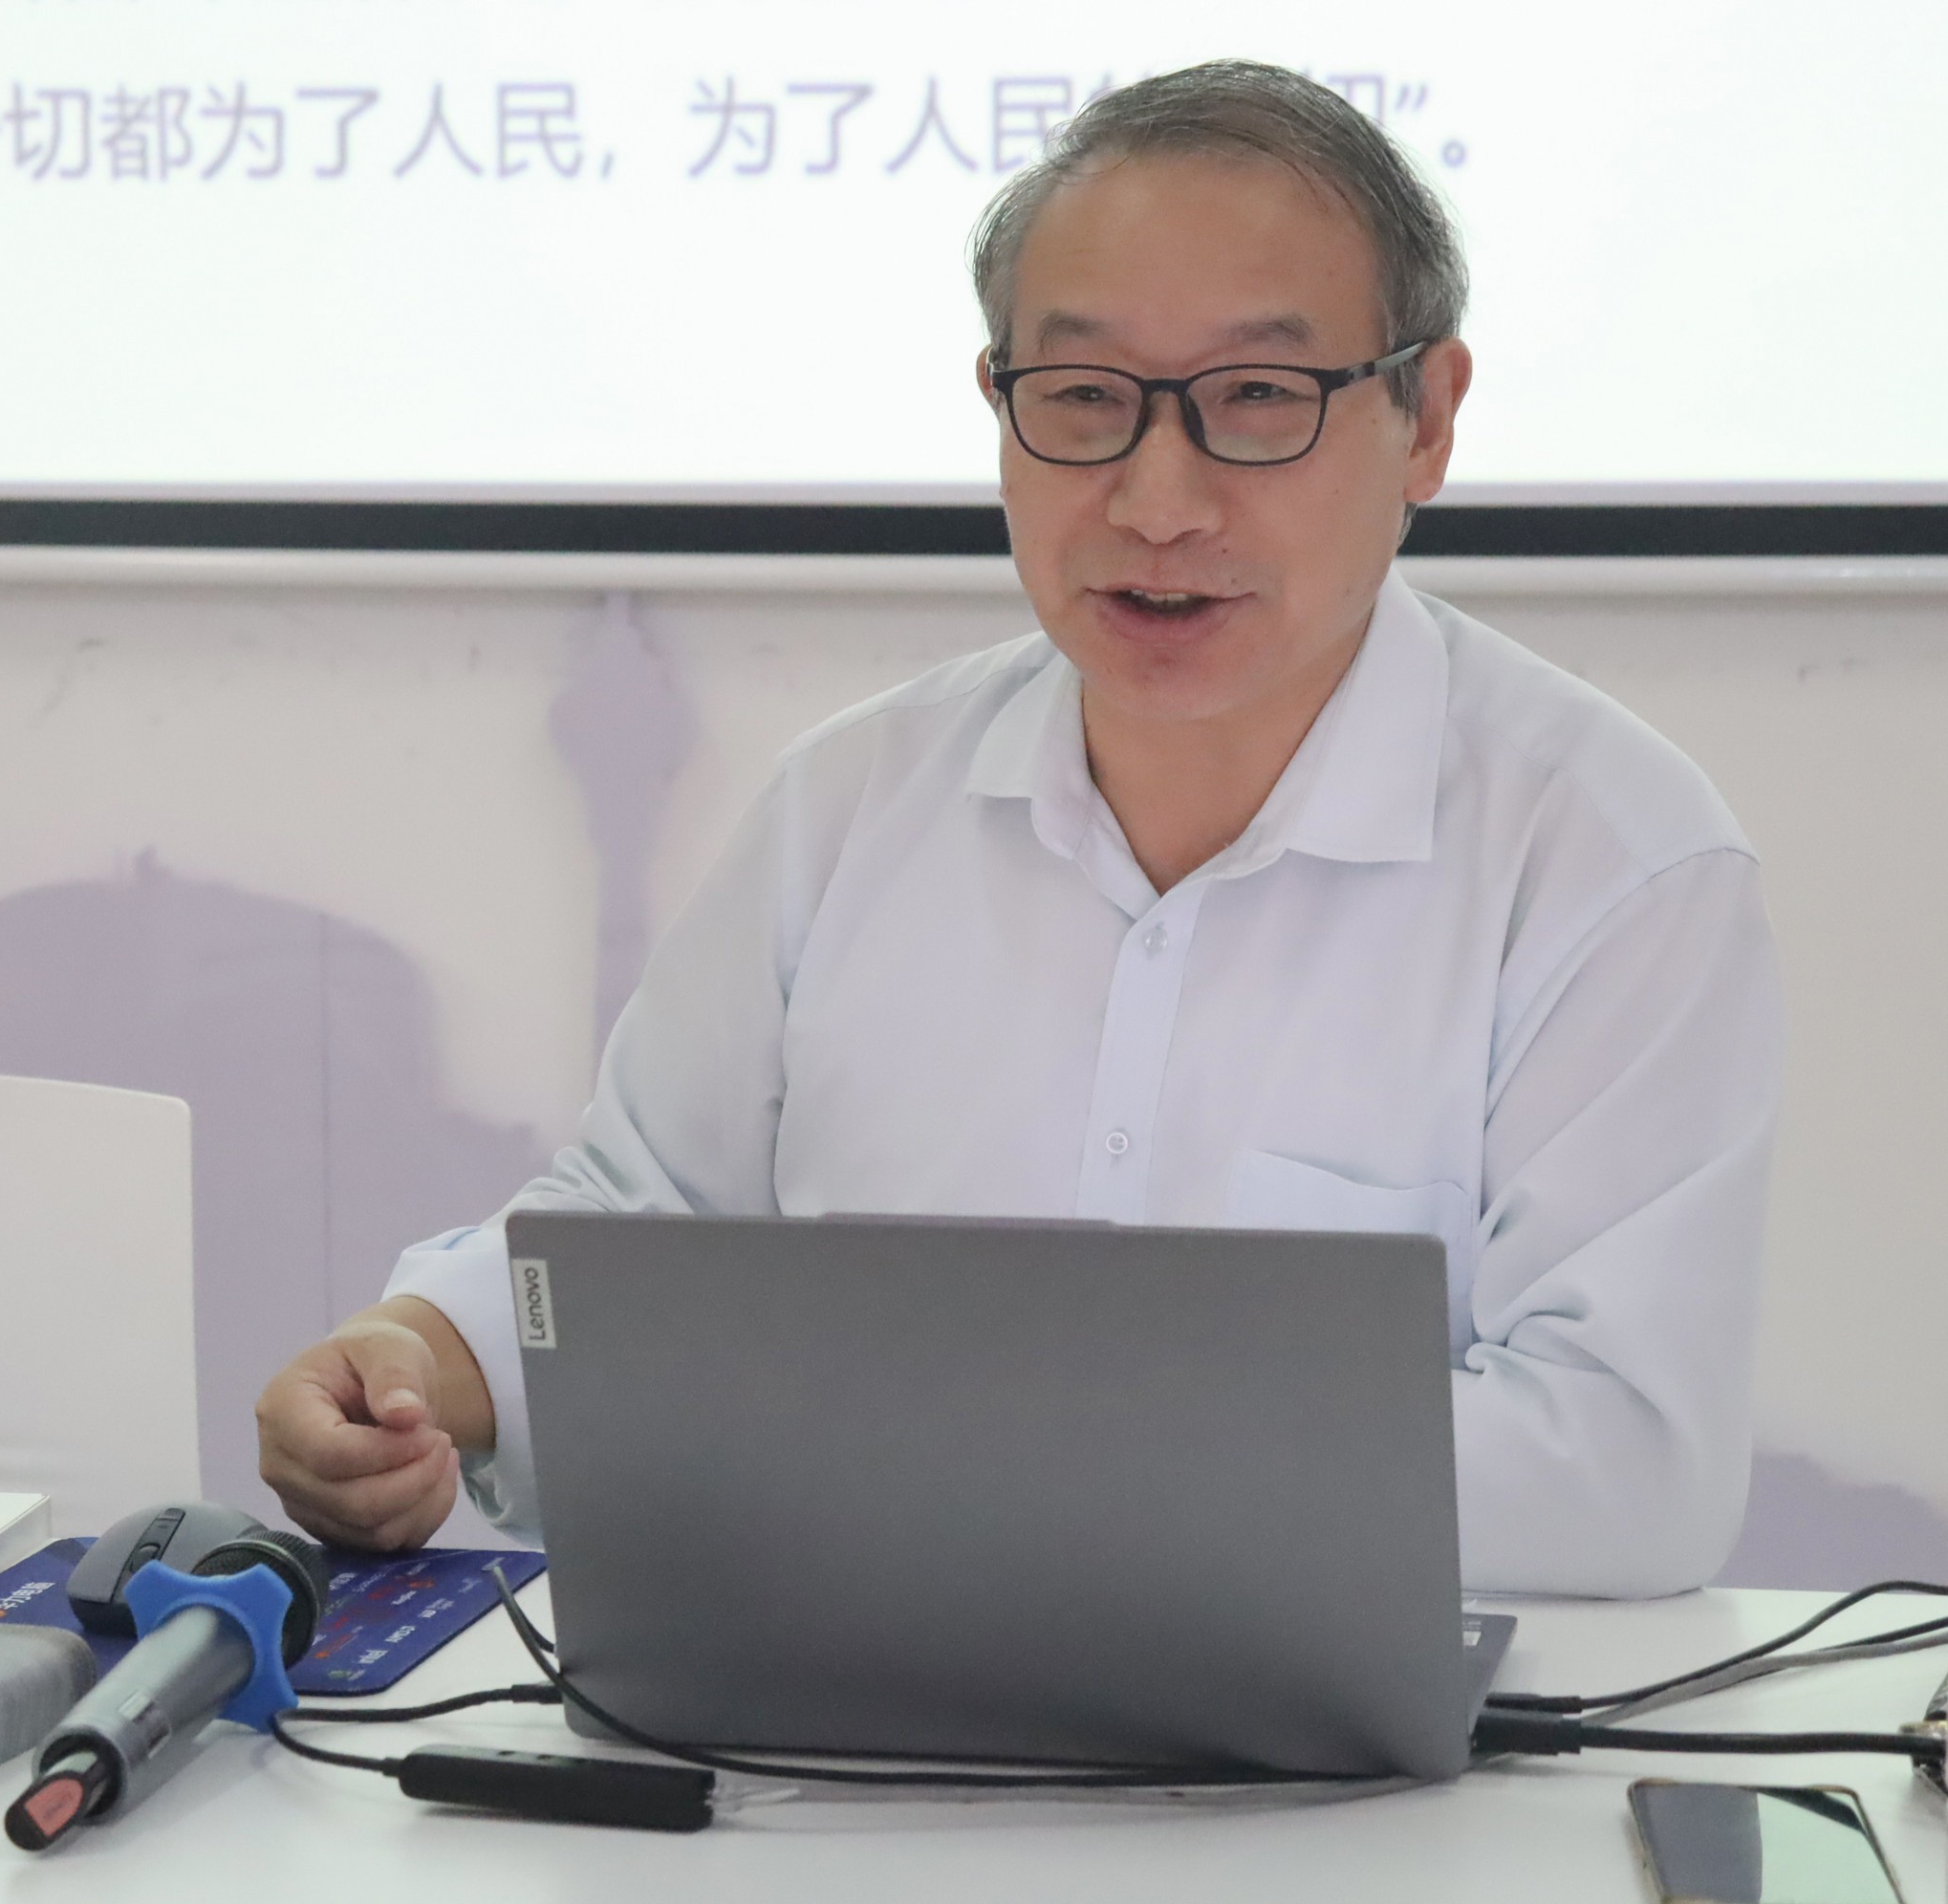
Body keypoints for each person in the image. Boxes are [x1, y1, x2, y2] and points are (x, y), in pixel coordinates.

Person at [254, 59, 1781, 1596]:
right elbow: (635, 1230)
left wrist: (1009, 1456)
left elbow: (1620, 1468)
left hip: (1353, 1727)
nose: (1158, 499)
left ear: (1426, 422)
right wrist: (421, 1363)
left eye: (1259, 398)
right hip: (846, 1690)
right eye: (1085, 398)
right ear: (1000, 404)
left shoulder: (1612, 863)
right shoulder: (851, 806)